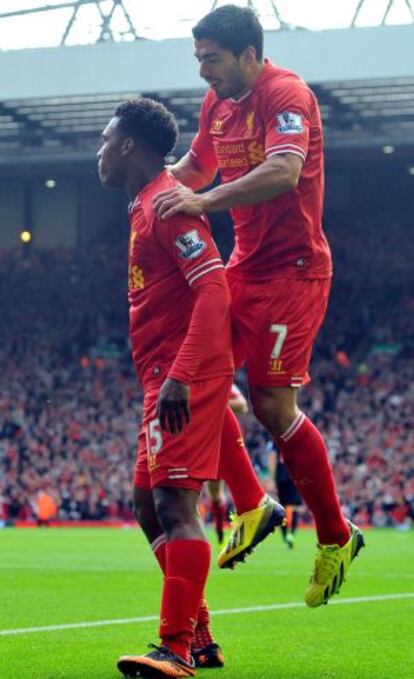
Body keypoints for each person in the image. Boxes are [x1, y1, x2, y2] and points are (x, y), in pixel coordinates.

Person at [153, 3, 364, 607]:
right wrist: (153, 188)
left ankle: (334, 536)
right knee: (188, 378)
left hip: (293, 273)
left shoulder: (286, 93)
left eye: (211, 60)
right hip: (245, 264)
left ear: (249, 54)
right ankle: (250, 504)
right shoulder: (217, 102)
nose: (203, 73)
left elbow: (284, 171)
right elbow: (195, 166)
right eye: (197, 60)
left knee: (272, 404)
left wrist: (202, 203)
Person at [98, 98, 284, 678]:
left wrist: (182, 374)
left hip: (182, 374)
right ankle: (199, 636)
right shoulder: (141, 208)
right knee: (147, 507)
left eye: (106, 140)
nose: (99, 152)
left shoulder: (167, 207)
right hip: (161, 376)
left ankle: (174, 647)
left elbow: (213, 293)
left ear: (129, 146)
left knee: (177, 505)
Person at [206, 382, 249, 544]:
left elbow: (243, 406)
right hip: (199, 443)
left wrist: (213, 401)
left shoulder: (223, 382)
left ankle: (231, 531)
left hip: (223, 445)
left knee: (228, 490)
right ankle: (217, 530)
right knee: (212, 493)